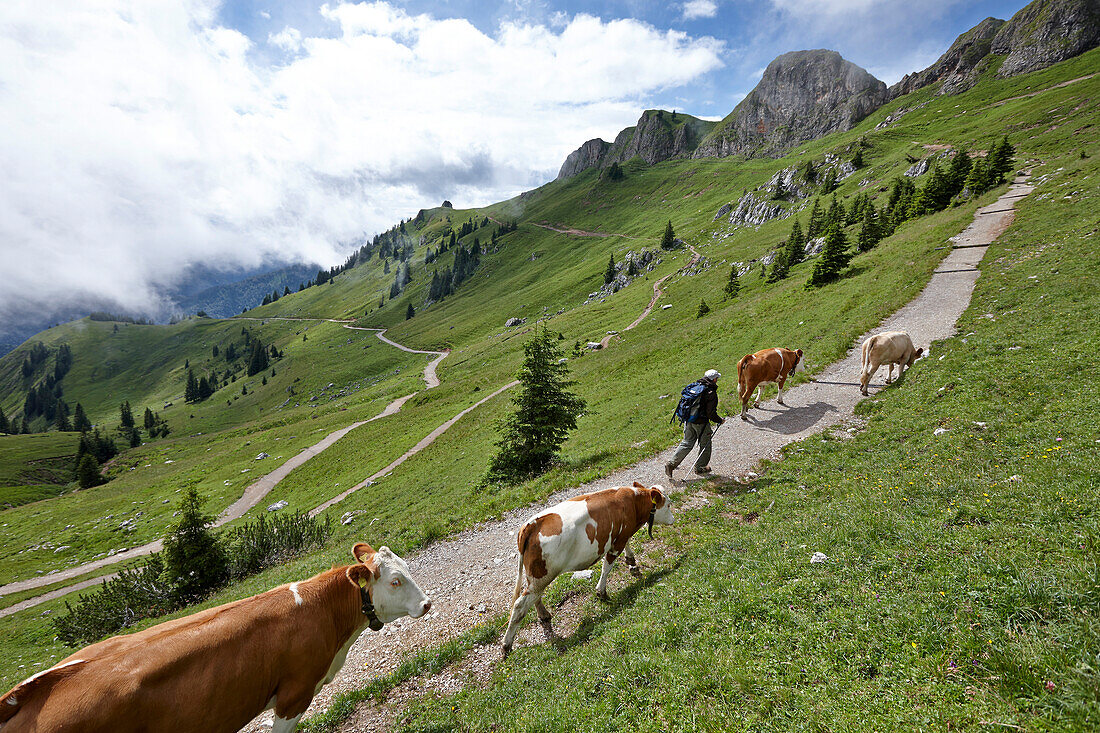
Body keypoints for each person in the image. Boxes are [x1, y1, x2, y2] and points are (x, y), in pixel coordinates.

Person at [666, 369, 724, 478]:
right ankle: (700, 467)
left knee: (686, 443)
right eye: (717, 378)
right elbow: (711, 413)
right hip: (701, 423)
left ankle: (671, 464)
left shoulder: (695, 386)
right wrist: (719, 420)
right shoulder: (710, 392)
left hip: (688, 420)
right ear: (714, 379)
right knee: (705, 444)